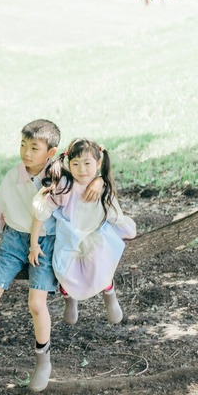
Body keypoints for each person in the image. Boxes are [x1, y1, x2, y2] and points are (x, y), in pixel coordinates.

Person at [0, 119, 102, 392]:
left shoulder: (61, 177)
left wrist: (101, 179)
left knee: (36, 304)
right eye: (23, 145)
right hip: (13, 238)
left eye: (34, 148)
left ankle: (42, 360)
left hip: (46, 241)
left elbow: (88, 173)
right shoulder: (13, 175)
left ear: (51, 151)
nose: (26, 153)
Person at [29, 139, 136, 326]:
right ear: (68, 164)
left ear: (98, 164)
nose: (82, 170)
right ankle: (70, 300)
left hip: (95, 233)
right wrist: (34, 244)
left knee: (99, 259)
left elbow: (113, 213)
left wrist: (100, 180)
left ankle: (109, 293)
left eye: (87, 164)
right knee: (64, 268)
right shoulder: (65, 186)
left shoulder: (102, 187)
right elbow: (41, 212)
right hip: (70, 236)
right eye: (76, 164)